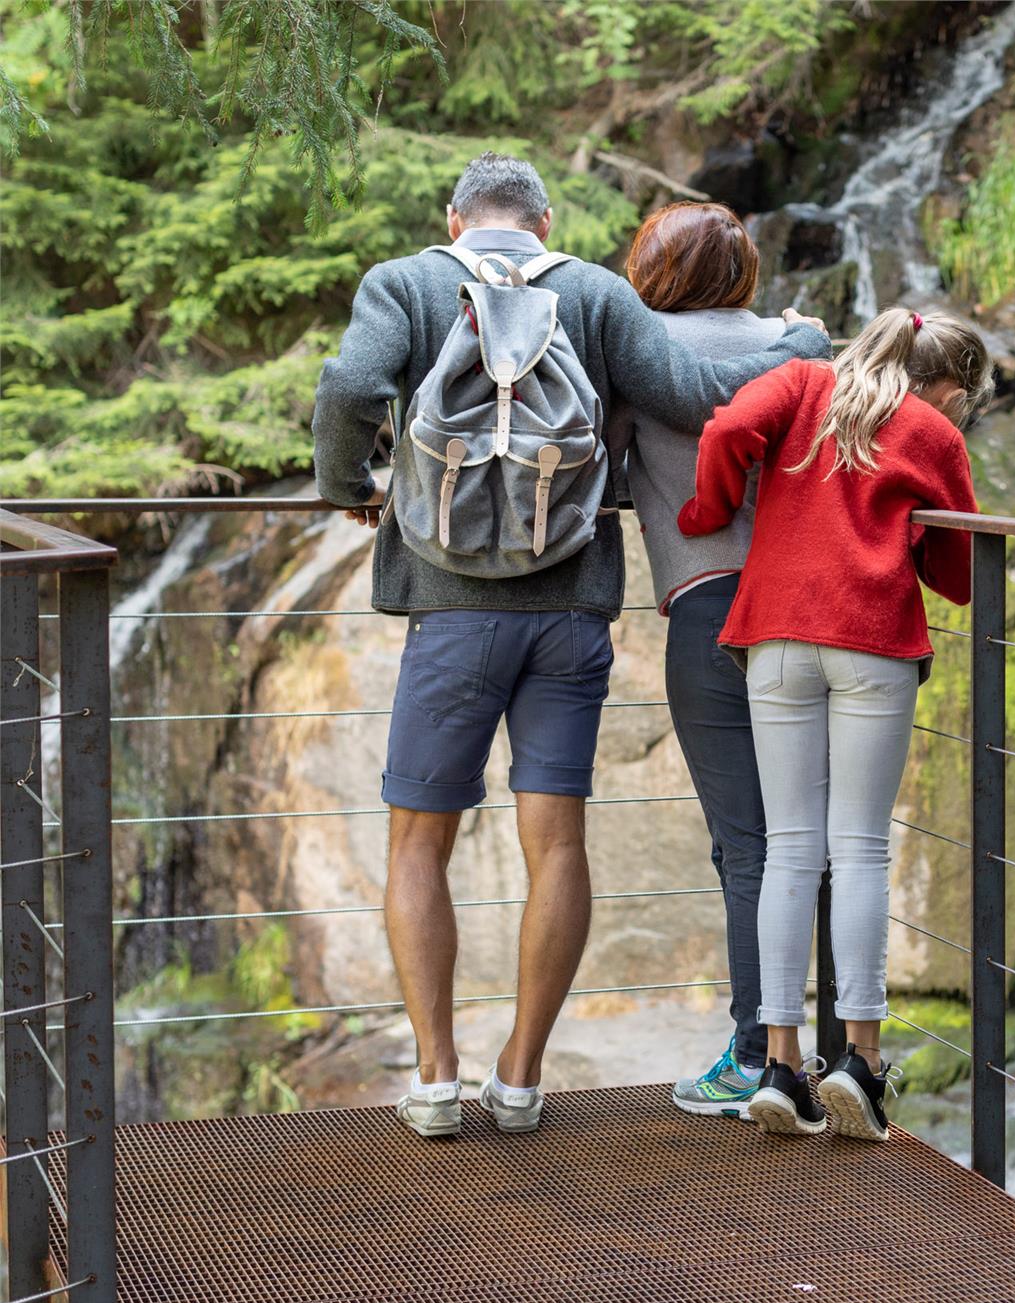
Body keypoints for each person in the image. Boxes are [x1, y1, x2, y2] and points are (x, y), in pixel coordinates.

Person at [312, 152, 831, 1140]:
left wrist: (349, 485)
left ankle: (432, 1079)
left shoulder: (407, 283)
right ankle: (520, 1077)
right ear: (544, 223)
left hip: (451, 613)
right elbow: (698, 395)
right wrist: (800, 342)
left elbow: (349, 389)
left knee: (418, 841)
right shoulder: (592, 293)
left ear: (452, 216)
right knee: (556, 845)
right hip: (569, 615)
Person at [680, 307, 991, 1143]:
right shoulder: (932, 431)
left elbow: (727, 428)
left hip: (774, 633)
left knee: (788, 847)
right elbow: (959, 576)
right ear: (948, 385)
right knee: (857, 848)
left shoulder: (801, 382)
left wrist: (708, 513)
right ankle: (859, 1063)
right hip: (873, 640)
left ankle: (780, 1068)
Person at [622, 202, 785, 1120]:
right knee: (817, 836)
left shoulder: (633, 351)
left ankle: (759, 1055)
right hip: (807, 611)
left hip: (710, 610)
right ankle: (832, 1052)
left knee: (747, 843)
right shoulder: (801, 345)